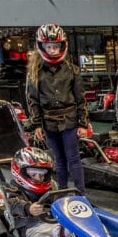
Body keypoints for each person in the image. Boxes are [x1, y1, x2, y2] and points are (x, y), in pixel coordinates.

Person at [5, 146, 85, 237]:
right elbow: (13, 206)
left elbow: (60, 202)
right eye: (33, 174)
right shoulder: (12, 191)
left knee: (85, 225)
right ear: (20, 172)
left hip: (53, 224)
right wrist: (28, 208)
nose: (39, 178)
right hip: (32, 230)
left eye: (42, 174)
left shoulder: (51, 186)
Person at [26, 23, 90, 192]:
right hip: (48, 123)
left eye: (55, 46)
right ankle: (62, 193)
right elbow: (33, 101)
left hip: (69, 121)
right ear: (42, 47)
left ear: (62, 46)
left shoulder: (72, 70)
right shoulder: (35, 72)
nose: (53, 50)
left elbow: (80, 98)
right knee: (59, 161)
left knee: (74, 159)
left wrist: (83, 124)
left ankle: (80, 194)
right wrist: (37, 125)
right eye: (49, 47)